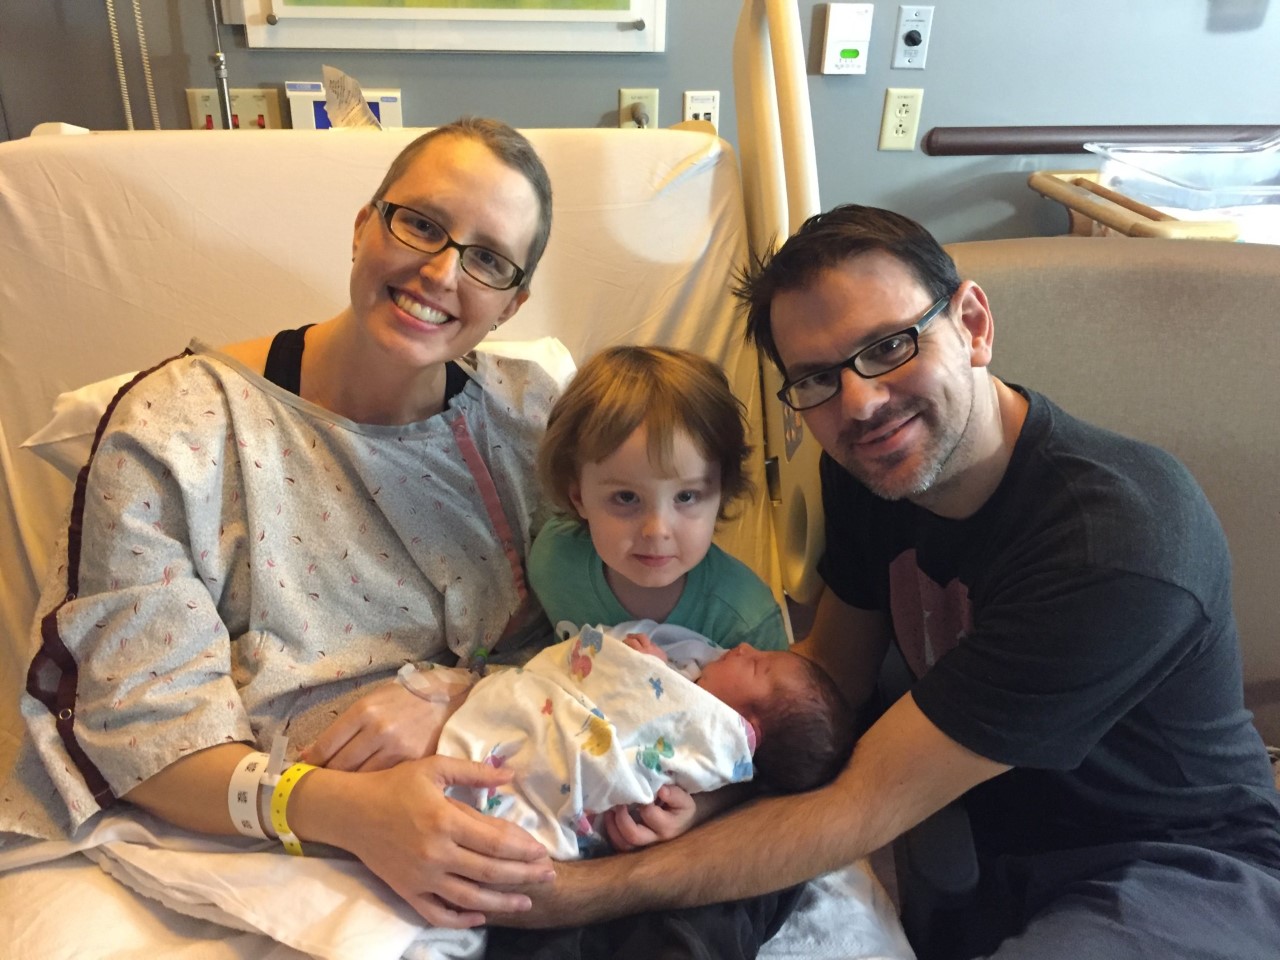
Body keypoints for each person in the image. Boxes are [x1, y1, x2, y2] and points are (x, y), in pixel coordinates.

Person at [492, 204, 1280, 959]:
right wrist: (707, 792)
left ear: (972, 324)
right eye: (817, 378)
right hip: (973, 829)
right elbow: (832, 675)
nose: (861, 402)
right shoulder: (874, 472)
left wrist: (568, 891)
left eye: (889, 346)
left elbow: (859, 804)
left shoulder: (1110, 542)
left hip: (1171, 869)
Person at [2, 116, 565, 929]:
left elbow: (614, 626)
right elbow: (142, 735)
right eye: (421, 224)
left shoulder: (533, 426)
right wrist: (354, 814)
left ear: (511, 303)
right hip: (259, 825)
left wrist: (455, 694)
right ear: (363, 225)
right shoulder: (181, 427)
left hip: (505, 790)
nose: (442, 272)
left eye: (487, 258)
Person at [413, 619, 854, 859]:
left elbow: (648, 716)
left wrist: (651, 672)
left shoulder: (710, 737)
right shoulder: (696, 656)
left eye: (757, 667)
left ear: (746, 729)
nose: (743, 648)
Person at [528, 344, 787, 652]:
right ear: (578, 497)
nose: (657, 530)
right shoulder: (554, 559)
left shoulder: (746, 623)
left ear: (721, 492)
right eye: (626, 497)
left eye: (687, 496)